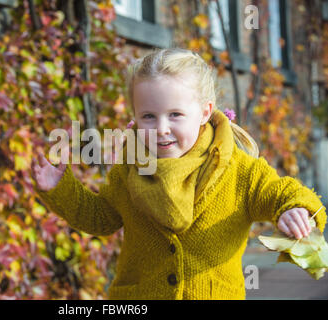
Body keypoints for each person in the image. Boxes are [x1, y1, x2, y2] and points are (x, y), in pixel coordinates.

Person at [30, 48, 327, 300]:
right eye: (148, 116)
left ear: (204, 113)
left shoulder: (238, 169)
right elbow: (102, 217)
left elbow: (280, 192)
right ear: (134, 117)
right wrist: (61, 188)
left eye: (175, 115)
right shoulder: (130, 167)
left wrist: (295, 209)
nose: (161, 128)